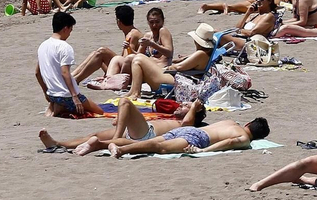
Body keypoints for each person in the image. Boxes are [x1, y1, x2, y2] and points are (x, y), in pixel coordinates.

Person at [40, 99, 206, 156]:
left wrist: (194, 108)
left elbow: (187, 123)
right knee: (96, 134)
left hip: (147, 134)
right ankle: (58, 144)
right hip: (139, 130)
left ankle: (115, 140)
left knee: (124, 101)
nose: (182, 105)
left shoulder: (187, 125)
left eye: (186, 106)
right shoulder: (171, 117)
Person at [36, 11, 103, 118]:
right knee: (99, 112)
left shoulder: (42, 46)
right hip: (66, 95)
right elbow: (65, 73)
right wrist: (75, 97)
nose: (69, 34)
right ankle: (61, 107)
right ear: (65, 29)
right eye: (70, 30)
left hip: (52, 94)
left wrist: (46, 92)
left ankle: (56, 105)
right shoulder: (64, 47)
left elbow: (37, 73)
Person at [110, 117, 271, 157]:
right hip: (198, 138)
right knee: (159, 148)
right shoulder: (244, 138)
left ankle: (104, 144)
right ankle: (122, 150)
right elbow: (229, 142)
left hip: (189, 129)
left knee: (149, 142)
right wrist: (203, 150)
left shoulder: (231, 122)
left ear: (248, 123)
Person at [73, 5, 143, 83]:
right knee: (94, 54)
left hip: (129, 71)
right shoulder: (131, 32)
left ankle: (76, 79)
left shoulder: (132, 35)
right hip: (124, 67)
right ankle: (72, 76)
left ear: (119, 21)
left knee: (102, 51)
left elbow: (127, 59)